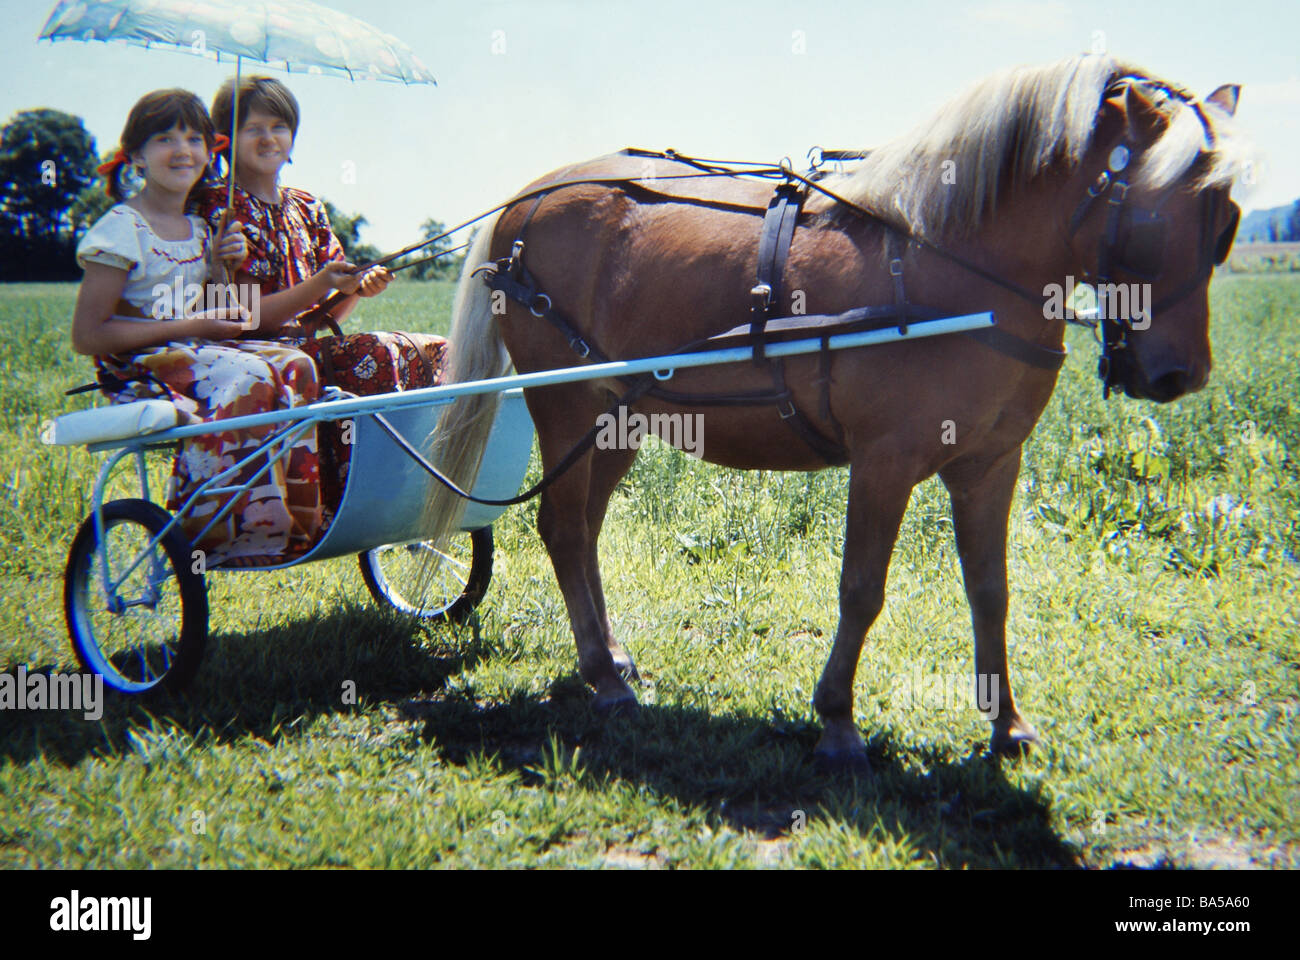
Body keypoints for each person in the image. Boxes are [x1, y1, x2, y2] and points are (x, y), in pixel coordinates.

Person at [71, 89, 349, 565]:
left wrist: (224, 269)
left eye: (194, 139)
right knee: (253, 375)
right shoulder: (122, 228)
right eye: (164, 139)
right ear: (135, 156)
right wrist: (192, 323)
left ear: (209, 150)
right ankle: (207, 524)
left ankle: (291, 522)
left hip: (197, 354)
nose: (182, 150)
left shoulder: (203, 230)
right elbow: (88, 335)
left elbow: (223, 314)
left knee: (297, 365)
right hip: (137, 367)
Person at [195, 76, 447, 512]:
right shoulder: (221, 207)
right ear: (225, 140)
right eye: (253, 128)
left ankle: (416, 484)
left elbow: (326, 312)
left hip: (308, 347)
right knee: (378, 354)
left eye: (279, 126)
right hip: (254, 358)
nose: (269, 138)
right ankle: (352, 495)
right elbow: (249, 318)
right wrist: (323, 283)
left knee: (434, 351)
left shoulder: (306, 206)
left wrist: (355, 289)